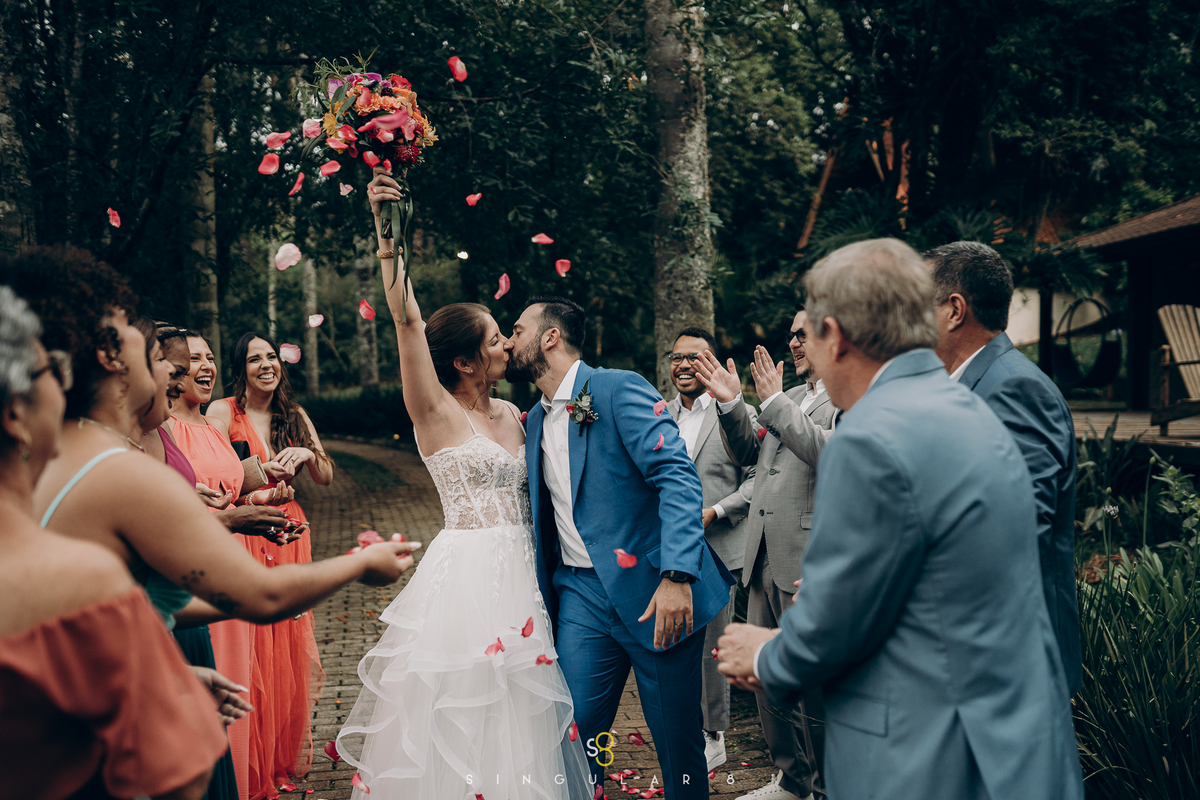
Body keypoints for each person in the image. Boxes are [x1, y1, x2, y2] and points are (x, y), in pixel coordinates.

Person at [1, 248, 420, 800]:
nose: (173, 369)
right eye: (143, 341)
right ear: (107, 356)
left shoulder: (61, 481)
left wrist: (152, 674)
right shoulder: (119, 475)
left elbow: (85, 643)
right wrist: (360, 563)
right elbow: (257, 599)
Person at [716, 239, 1083, 800]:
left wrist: (766, 653)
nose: (805, 353)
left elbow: (834, 627)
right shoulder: (965, 406)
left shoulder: (872, 435)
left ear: (834, 336)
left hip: (929, 753)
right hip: (1011, 744)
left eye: (807, 335)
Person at [335, 166, 592, 800]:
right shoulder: (435, 414)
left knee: (522, 707)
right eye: (495, 337)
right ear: (463, 359)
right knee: (467, 703)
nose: (507, 343)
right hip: (468, 575)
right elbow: (406, 324)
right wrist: (388, 232)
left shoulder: (514, 414)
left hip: (529, 570)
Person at [0, 284, 228, 800]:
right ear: (15, 413)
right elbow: (181, 776)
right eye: (51, 373)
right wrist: (170, 692)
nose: (65, 386)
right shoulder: (75, 577)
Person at [505, 293, 735, 800]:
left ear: (550, 338)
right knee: (576, 733)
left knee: (676, 742)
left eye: (517, 330)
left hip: (656, 592)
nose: (508, 338)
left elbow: (677, 477)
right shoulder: (536, 418)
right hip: (580, 597)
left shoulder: (615, 389)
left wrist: (677, 576)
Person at [924, 241, 1082, 696]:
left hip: (1010, 652)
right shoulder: (964, 386)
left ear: (955, 310)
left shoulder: (1012, 388)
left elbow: (1014, 527)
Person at [692, 311, 835, 800]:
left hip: (808, 559)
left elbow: (830, 455)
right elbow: (751, 457)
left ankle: (824, 786)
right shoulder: (792, 399)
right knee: (764, 677)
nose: (793, 343)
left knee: (810, 685)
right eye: (790, 335)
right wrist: (734, 405)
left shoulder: (848, 398)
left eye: (803, 333)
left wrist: (770, 401)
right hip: (762, 556)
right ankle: (790, 778)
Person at [207, 332, 333, 799]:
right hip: (247, 529)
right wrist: (256, 492)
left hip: (289, 531)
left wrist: (307, 451)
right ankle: (251, 761)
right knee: (255, 643)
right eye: (256, 358)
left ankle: (279, 758)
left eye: (273, 357)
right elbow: (220, 479)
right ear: (241, 367)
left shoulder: (293, 416)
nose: (267, 365)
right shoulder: (222, 413)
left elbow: (325, 474)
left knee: (286, 642)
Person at [664, 327, 756, 771]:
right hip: (667, 550)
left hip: (718, 546)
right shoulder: (658, 415)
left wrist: (716, 511)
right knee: (677, 641)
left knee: (712, 645)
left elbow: (758, 478)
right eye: (676, 358)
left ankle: (714, 735)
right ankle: (684, 727)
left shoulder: (735, 412)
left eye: (694, 357)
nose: (683, 365)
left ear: (712, 364)